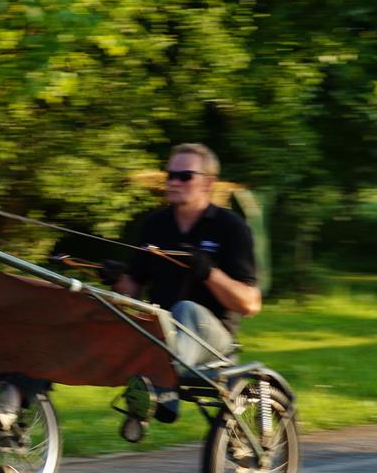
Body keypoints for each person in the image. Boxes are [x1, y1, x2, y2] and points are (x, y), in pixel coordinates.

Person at [103, 143, 261, 423]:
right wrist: (115, 278)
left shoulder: (230, 227)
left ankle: (161, 393)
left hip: (214, 343)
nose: (174, 182)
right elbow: (133, 290)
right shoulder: (154, 225)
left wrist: (209, 272)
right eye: (170, 175)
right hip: (162, 331)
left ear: (208, 183)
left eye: (184, 176)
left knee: (185, 309)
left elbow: (250, 303)